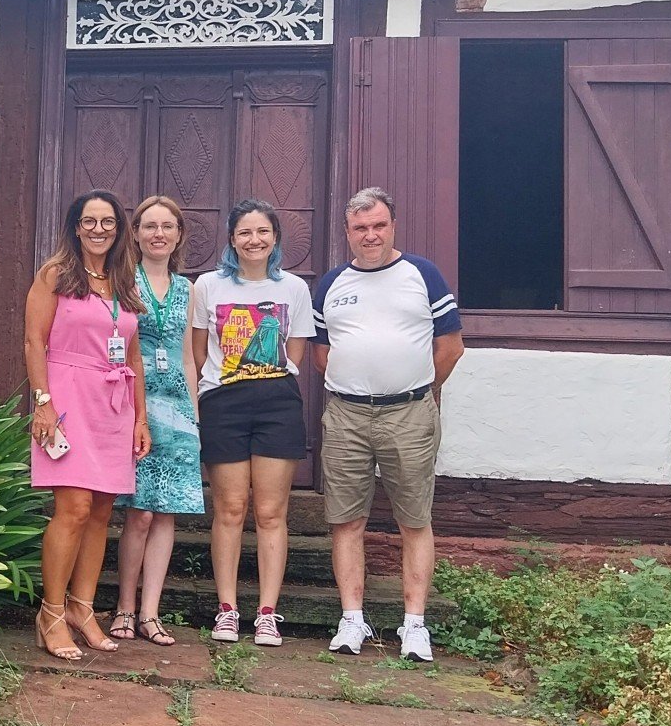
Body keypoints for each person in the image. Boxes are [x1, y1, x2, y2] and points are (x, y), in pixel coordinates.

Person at [313, 186, 466, 663]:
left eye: (378, 225)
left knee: (414, 519)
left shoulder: (423, 274)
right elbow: (322, 355)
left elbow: (451, 347)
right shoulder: (332, 283)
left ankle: (414, 625)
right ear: (347, 232)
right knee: (346, 519)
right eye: (360, 228)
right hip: (346, 415)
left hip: (409, 413)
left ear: (392, 225)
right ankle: (352, 620)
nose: (370, 235)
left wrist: (416, 388)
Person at [25, 189, 152, 661]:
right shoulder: (55, 274)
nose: (99, 229)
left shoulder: (123, 280)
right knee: (74, 508)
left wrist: (141, 417)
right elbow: (33, 342)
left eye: (109, 222)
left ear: (119, 231)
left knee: (101, 510)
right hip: (67, 397)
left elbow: (133, 354)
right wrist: (42, 404)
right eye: (90, 221)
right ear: (76, 226)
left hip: (113, 405)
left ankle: (83, 608)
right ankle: (51, 613)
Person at [187, 200, 314, 648]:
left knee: (270, 512)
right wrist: (209, 392)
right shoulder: (208, 286)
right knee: (230, 509)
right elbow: (199, 351)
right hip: (224, 402)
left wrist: (265, 379)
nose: (254, 240)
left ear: (275, 237)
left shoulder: (295, 289)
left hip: (278, 403)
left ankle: (266, 613)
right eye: (245, 232)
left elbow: (295, 352)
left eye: (263, 232)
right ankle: (227, 610)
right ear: (231, 239)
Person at [111, 195, 204, 647]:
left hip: (177, 408)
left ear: (179, 235)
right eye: (150, 226)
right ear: (136, 233)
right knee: (139, 513)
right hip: (136, 405)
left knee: (166, 513)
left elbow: (187, 356)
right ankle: (123, 608)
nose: (159, 233)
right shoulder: (121, 280)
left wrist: (195, 416)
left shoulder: (188, 289)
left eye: (168, 226)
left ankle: (149, 614)